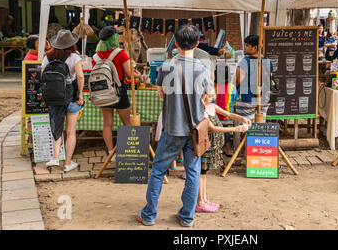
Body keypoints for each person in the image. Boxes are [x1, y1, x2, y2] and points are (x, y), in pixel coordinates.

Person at [137, 24, 212, 228]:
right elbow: (207, 100)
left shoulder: (166, 67)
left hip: (172, 129)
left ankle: (149, 214)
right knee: (193, 172)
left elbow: (161, 94)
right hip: (195, 130)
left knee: (158, 171)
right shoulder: (203, 70)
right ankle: (187, 217)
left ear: (176, 43)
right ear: (197, 43)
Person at [196, 88, 250, 213]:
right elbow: (214, 128)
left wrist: (242, 118)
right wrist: (235, 129)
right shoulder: (202, 112)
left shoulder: (213, 107)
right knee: (201, 173)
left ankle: (204, 199)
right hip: (206, 145)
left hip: (214, 146)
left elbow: (229, 114)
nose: (212, 98)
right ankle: (200, 202)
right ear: (203, 96)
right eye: (209, 96)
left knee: (204, 173)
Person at [92, 26, 140, 160]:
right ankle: (128, 152)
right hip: (119, 92)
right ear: (113, 38)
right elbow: (130, 75)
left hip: (103, 92)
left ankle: (110, 153)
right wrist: (138, 74)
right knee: (127, 123)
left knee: (107, 123)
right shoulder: (121, 53)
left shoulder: (96, 56)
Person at [42, 30, 84, 172]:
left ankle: (55, 157)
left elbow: (42, 76)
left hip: (54, 98)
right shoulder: (74, 57)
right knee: (71, 132)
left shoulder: (47, 57)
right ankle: (67, 163)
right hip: (71, 98)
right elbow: (80, 77)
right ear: (71, 44)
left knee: (56, 128)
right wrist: (80, 96)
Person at [235, 35, 272, 123]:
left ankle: (245, 137)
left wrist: (235, 89)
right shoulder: (267, 60)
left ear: (255, 48)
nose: (244, 48)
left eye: (247, 46)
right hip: (264, 99)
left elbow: (238, 79)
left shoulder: (245, 61)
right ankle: (258, 137)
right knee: (259, 126)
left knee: (246, 125)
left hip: (247, 99)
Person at [214, 62, 239, 156]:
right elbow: (235, 99)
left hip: (215, 117)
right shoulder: (231, 87)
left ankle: (217, 150)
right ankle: (228, 149)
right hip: (227, 116)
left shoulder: (214, 87)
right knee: (227, 129)